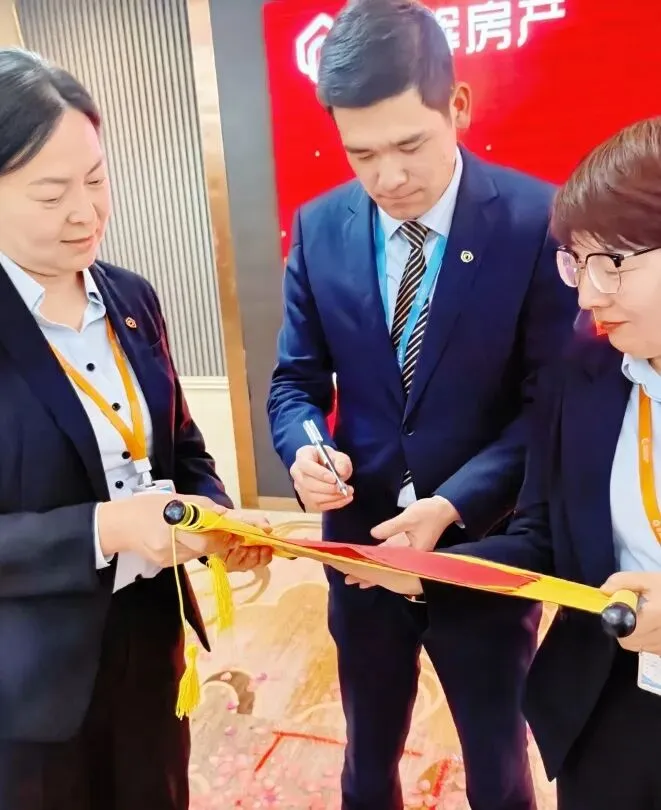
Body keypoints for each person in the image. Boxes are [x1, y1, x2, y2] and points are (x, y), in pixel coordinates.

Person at [266, 1, 577, 808]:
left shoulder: (535, 222)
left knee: (497, 758)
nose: (388, 178)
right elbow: (295, 381)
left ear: (457, 107)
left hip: (483, 544)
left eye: (408, 145)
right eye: (361, 153)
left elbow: (549, 405)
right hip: (361, 544)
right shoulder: (320, 227)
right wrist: (305, 448)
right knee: (367, 749)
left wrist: (453, 502)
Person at [337, 116, 661, 809]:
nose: (588, 295)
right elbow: (543, 537)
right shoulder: (585, 380)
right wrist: (432, 571)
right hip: (608, 704)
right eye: (576, 263)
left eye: (611, 264)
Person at [0, 48, 272, 810]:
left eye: (96, 179)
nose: (85, 213)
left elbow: (181, 447)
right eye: (51, 193)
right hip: (27, 687)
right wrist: (109, 528)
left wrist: (212, 515)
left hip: (151, 641)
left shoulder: (130, 300)